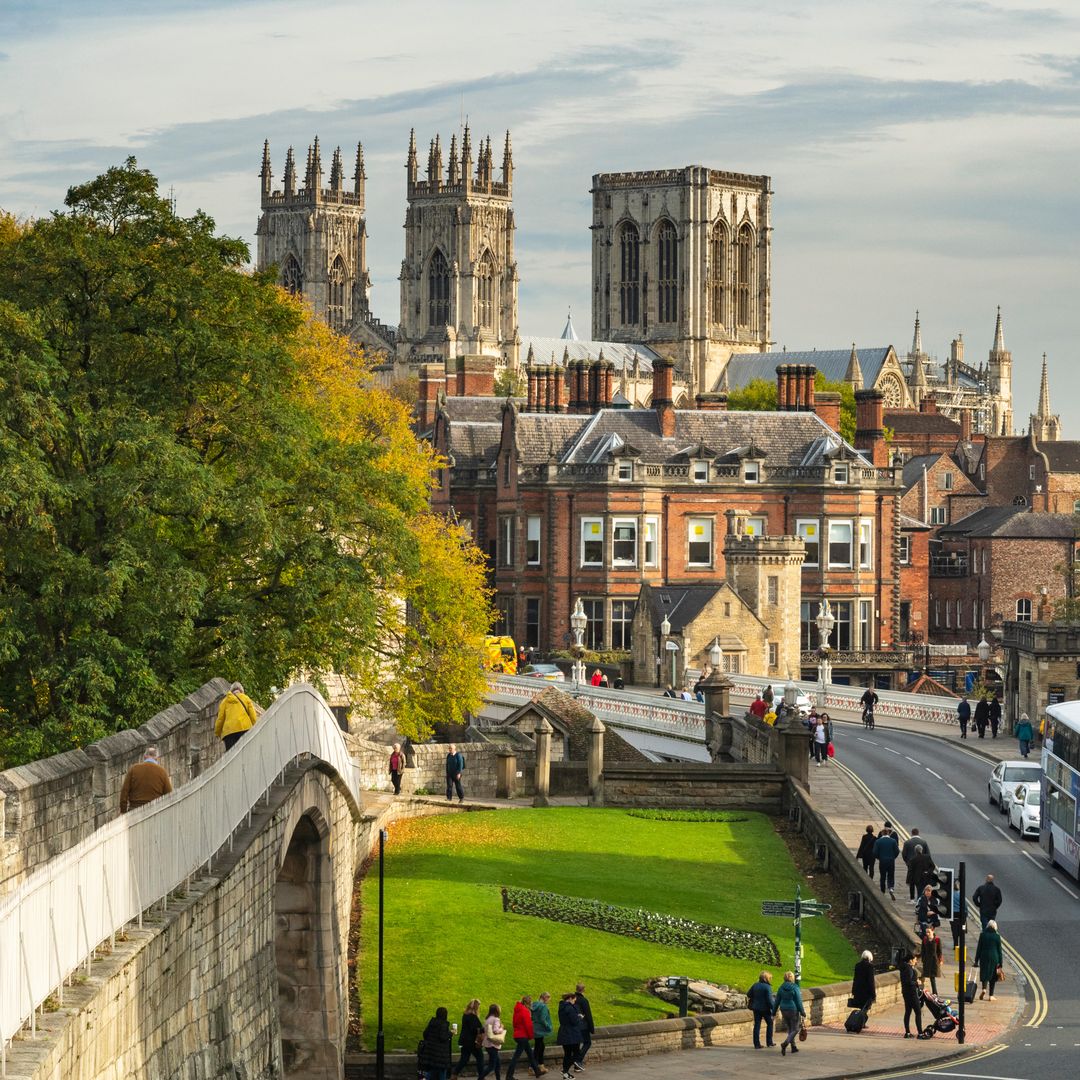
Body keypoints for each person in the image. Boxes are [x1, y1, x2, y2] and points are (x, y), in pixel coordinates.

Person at [119, 746, 173, 812]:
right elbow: (169, 794)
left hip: (135, 810)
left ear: (144, 756)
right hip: (154, 810)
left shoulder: (133, 769)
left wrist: (123, 811)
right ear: (157, 758)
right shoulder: (162, 772)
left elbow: (124, 792)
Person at [507, 995, 545, 1079]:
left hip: (518, 1035)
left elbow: (514, 1023)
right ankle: (509, 1076)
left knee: (530, 1054)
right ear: (528, 1004)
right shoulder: (525, 1011)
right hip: (522, 1036)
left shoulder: (517, 1010)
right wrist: (531, 1036)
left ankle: (537, 1071)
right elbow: (528, 1025)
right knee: (516, 1057)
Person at [214, 681, 257, 750]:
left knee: (231, 756)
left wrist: (217, 732)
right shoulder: (246, 698)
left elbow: (220, 719)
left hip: (229, 733)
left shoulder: (224, 702)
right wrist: (255, 726)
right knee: (246, 751)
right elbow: (253, 715)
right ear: (241, 690)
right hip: (244, 728)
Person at [773, 971, 804, 1055]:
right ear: (792, 978)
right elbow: (798, 1001)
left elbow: (777, 1001)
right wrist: (802, 1012)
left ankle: (793, 1047)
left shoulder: (781, 987)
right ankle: (785, 1043)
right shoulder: (795, 987)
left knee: (790, 1028)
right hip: (793, 1009)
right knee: (796, 1029)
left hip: (783, 1009)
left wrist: (773, 1012)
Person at [451, 998, 484, 1080]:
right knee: (480, 1058)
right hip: (471, 1042)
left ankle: (454, 1074)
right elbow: (474, 1029)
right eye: (478, 1006)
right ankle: (481, 1077)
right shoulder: (473, 1017)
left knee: (464, 1059)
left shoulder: (465, 1015)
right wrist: (484, 1029)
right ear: (476, 1007)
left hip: (464, 1041)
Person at [419, 1006, 454, 1080]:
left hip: (431, 1052)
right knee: (442, 1070)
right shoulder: (443, 1024)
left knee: (434, 1070)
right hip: (440, 1054)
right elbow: (443, 1037)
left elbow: (425, 1034)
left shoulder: (432, 1022)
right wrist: (451, 1033)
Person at [555, 992, 584, 1080]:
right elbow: (574, 1021)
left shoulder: (562, 1007)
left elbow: (567, 1019)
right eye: (574, 999)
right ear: (570, 998)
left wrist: (576, 1016)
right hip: (571, 1033)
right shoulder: (570, 1008)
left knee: (567, 1054)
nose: (575, 1001)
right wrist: (579, 1017)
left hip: (564, 1032)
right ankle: (565, 1070)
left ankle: (566, 1074)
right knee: (577, 1053)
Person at [974, 919, 1004, 1000]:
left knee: (985, 973)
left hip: (984, 957)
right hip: (994, 957)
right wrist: (1001, 963)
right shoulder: (997, 937)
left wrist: (976, 960)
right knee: (993, 977)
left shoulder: (982, 935)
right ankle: (991, 996)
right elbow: (999, 951)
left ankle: (984, 989)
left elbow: (979, 948)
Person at [746, 971, 775, 1049]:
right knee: (770, 1023)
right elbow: (769, 1000)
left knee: (757, 1025)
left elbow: (748, 994)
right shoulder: (767, 987)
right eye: (770, 978)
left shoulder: (755, 985)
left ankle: (756, 1044)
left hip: (756, 1008)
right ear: (766, 978)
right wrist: (774, 1008)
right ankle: (769, 1042)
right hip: (765, 1009)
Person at [478, 1003, 506, 1080]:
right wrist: (502, 1028)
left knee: (497, 1064)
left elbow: (484, 1030)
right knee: (492, 1066)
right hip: (493, 1045)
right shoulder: (496, 1019)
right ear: (497, 1011)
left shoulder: (487, 1019)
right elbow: (496, 1031)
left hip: (487, 1044)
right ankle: (480, 1078)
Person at [873, 828, 900, 899]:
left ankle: (882, 891)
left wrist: (879, 858)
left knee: (883, 876)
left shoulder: (878, 841)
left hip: (882, 861)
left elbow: (875, 852)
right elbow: (897, 851)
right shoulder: (893, 841)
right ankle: (891, 888)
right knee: (891, 875)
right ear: (888, 833)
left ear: (882, 833)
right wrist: (893, 857)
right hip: (891, 861)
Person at [899, 953, 922, 1038]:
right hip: (911, 993)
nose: (916, 961)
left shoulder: (905, 968)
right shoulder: (908, 969)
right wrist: (917, 982)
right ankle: (920, 1033)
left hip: (906, 993)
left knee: (908, 1012)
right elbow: (908, 982)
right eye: (915, 959)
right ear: (910, 960)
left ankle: (907, 1032)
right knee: (918, 1012)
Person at [851, 950, 876, 1021]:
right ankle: (860, 1022)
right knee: (866, 1007)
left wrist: (853, 990)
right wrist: (873, 994)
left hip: (858, 990)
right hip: (866, 992)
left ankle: (861, 1022)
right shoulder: (870, 967)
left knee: (862, 1007)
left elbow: (855, 979)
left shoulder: (857, 965)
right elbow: (871, 981)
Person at [530, 993, 553, 1070]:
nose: (548, 1002)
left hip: (535, 1028)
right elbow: (543, 1019)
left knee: (541, 1046)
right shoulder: (543, 1006)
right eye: (548, 999)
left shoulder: (533, 1005)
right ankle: (532, 1067)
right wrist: (548, 1026)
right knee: (538, 1047)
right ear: (545, 998)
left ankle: (541, 1064)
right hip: (541, 1029)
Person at [573, 983, 594, 1068]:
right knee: (587, 1043)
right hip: (583, 1026)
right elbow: (588, 1015)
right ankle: (578, 1060)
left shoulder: (572, 999)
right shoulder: (583, 1000)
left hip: (574, 1025)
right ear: (583, 990)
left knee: (577, 1044)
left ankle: (577, 1066)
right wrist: (591, 1028)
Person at [920, 926, 943, 996]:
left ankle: (935, 992)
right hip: (926, 960)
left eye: (928, 932)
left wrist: (940, 960)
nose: (927, 933)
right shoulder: (924, 939)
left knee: (932, 977)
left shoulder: (937, 940)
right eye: (926, 932)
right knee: (925, 975)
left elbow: (939, 951)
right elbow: (923, 950)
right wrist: (923, 959)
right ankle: (925, 991)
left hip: (934, 961)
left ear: (933, 931)